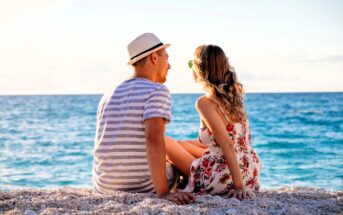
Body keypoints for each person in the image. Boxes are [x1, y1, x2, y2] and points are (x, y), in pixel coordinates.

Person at [92, 33, 194, 204]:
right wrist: (163, 193)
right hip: (140, 186)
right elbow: (153, 139)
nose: (169, 66)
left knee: (171, 147)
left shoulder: (108, 95)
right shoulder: (157, 90)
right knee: (177, 162)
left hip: (104, 186)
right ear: (154, 57)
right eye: (166, 58)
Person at [165, 45, 261, 199]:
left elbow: (227, 143)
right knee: (180, 144)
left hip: (224, 176)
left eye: (192, 64)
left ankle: (174, 183)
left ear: (200, 69)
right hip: (249, 169)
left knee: (165, 142)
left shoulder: (204, 103)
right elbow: (229, 142)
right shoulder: (234, 98)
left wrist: (239, 186)